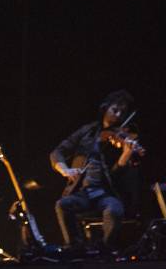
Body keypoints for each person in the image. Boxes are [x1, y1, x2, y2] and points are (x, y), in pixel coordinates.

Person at [51, 90, 144, 249]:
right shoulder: (88, 131)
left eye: (122, 112)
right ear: (105, 108)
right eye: (115, 110)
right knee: (62, 205)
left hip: (107, 193)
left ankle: (103, 249)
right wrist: (65, 170)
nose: (119, 114)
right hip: (83, 192)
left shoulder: (123, 137)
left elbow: (117, 175)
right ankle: (74, 246)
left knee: (114, 210)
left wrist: (127, 154)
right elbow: (57, 152)